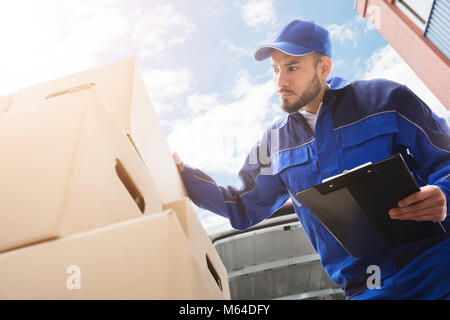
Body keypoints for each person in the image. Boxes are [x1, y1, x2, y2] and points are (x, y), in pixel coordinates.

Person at [172, 19, 450, 300]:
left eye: (292, 67)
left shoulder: (386, 98)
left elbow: (446, 159)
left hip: (436, 265)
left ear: (324, 67)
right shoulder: (273, 143)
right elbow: (242, 207)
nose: (280, 80)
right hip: (367, 288)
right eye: (275, 69)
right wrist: (181, 173)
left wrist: (444, 195)